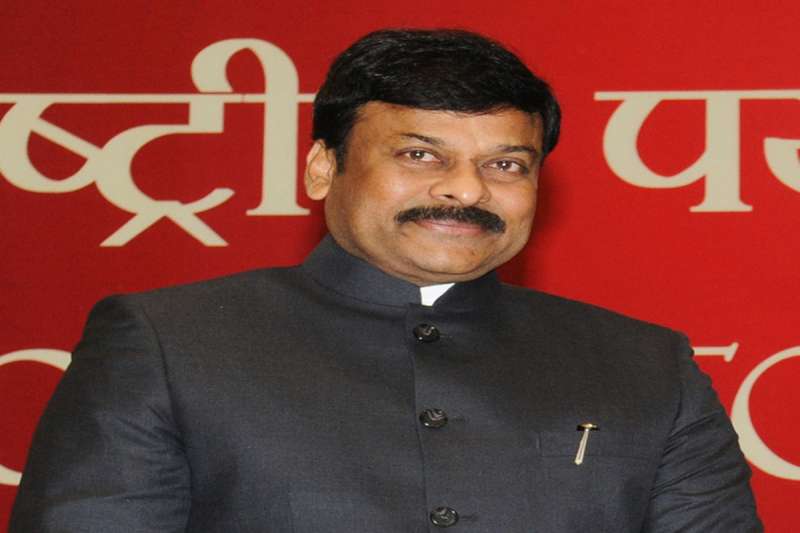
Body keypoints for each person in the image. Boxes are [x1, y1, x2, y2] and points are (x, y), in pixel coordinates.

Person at [10, 29, 761, 532]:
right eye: (420, 155)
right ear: (322, 168)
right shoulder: (170, 344)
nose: (466, 189)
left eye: (506, 164)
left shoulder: (645, 366)